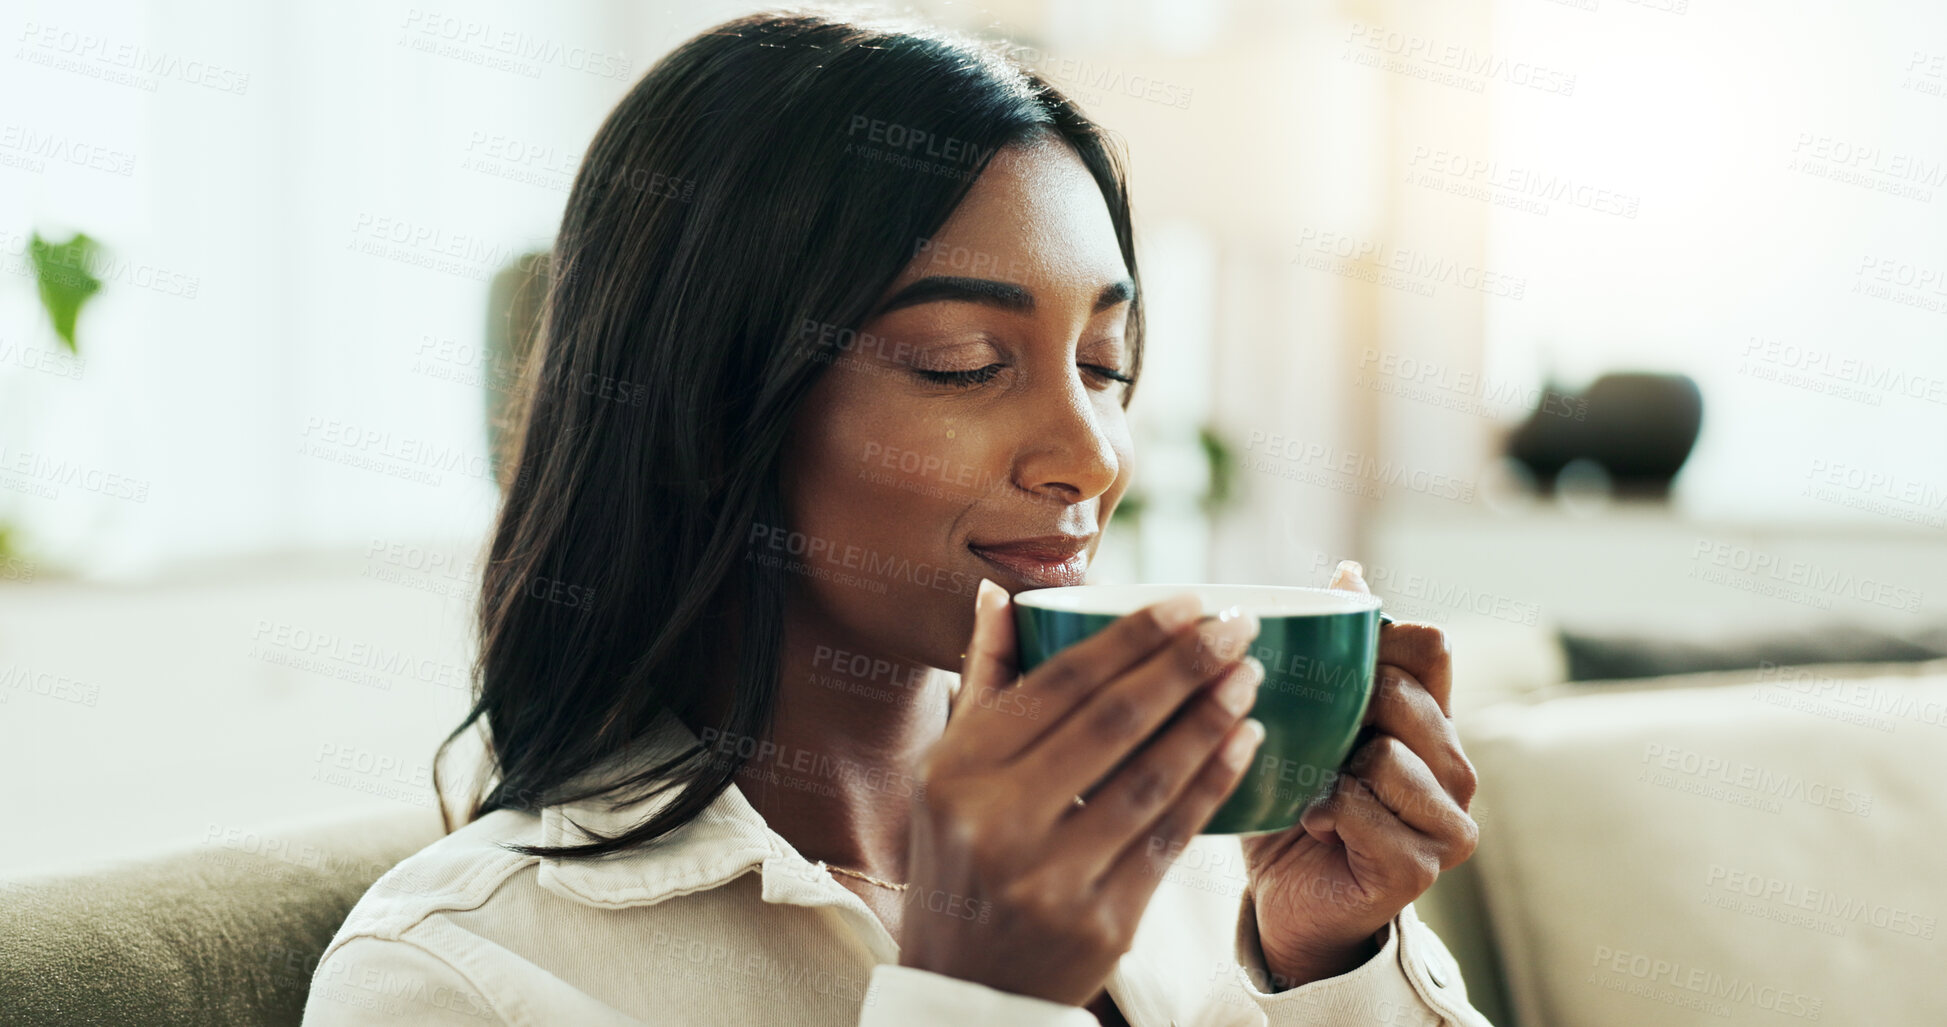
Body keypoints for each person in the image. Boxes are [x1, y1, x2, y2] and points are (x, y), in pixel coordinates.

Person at [302, 9, 1491, 1025]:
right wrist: (979, 996)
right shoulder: (459, 972)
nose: (1091, 455)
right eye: (966, 363)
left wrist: (1324, 964)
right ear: (708, 407)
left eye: (1104, 361)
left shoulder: (1183, 868)